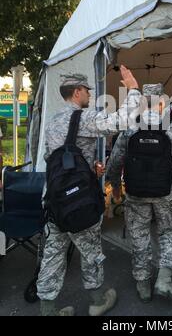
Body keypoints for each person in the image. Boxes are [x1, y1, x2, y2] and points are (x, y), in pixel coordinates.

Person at [37, 66, 141, 316]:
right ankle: (97, 300)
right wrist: (133, 90)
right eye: (87, 91)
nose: (90, 96)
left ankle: (48, 310)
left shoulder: (52, 122)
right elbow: (121, 121)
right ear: (77, 92)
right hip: (80, 201)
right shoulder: (83, 118)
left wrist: (85, 167)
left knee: (53, 254)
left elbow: (52, 158)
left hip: (56, 200)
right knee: (91, 251)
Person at [106, 79, 172, 303]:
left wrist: (113, 184)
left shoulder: (130, 127)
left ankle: (143, 283)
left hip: (136, 194)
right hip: (167, 193)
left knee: (139, 236)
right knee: (170, 233)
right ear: (162, 102)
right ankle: (164, 279)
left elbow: (115, 160)